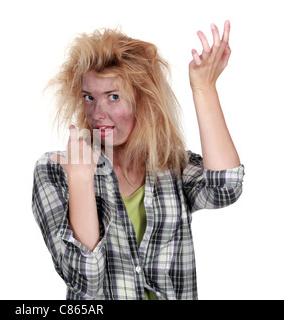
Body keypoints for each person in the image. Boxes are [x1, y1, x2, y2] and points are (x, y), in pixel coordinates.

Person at [31, 21, 244, 300]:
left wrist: (204, 89)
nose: (97, 112)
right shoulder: (54, 172)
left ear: (143, 101)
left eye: (114, 97)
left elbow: (225, 187)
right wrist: (81, 181)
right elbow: (84, 279)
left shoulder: (170, 166)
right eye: (89, 97)